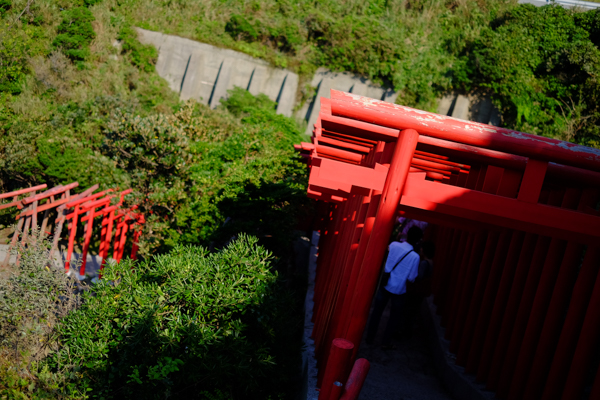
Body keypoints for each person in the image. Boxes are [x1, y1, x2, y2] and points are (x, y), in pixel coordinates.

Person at [365, 226, 423, 348]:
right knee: (394, 318)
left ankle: (369, 338)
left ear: (406, 235)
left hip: (386, 284)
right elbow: (411, 278)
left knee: (376, 312)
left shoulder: (394, 245)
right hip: (400, 289)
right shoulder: (415, 257)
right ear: (418, 240)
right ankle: (385, 343)